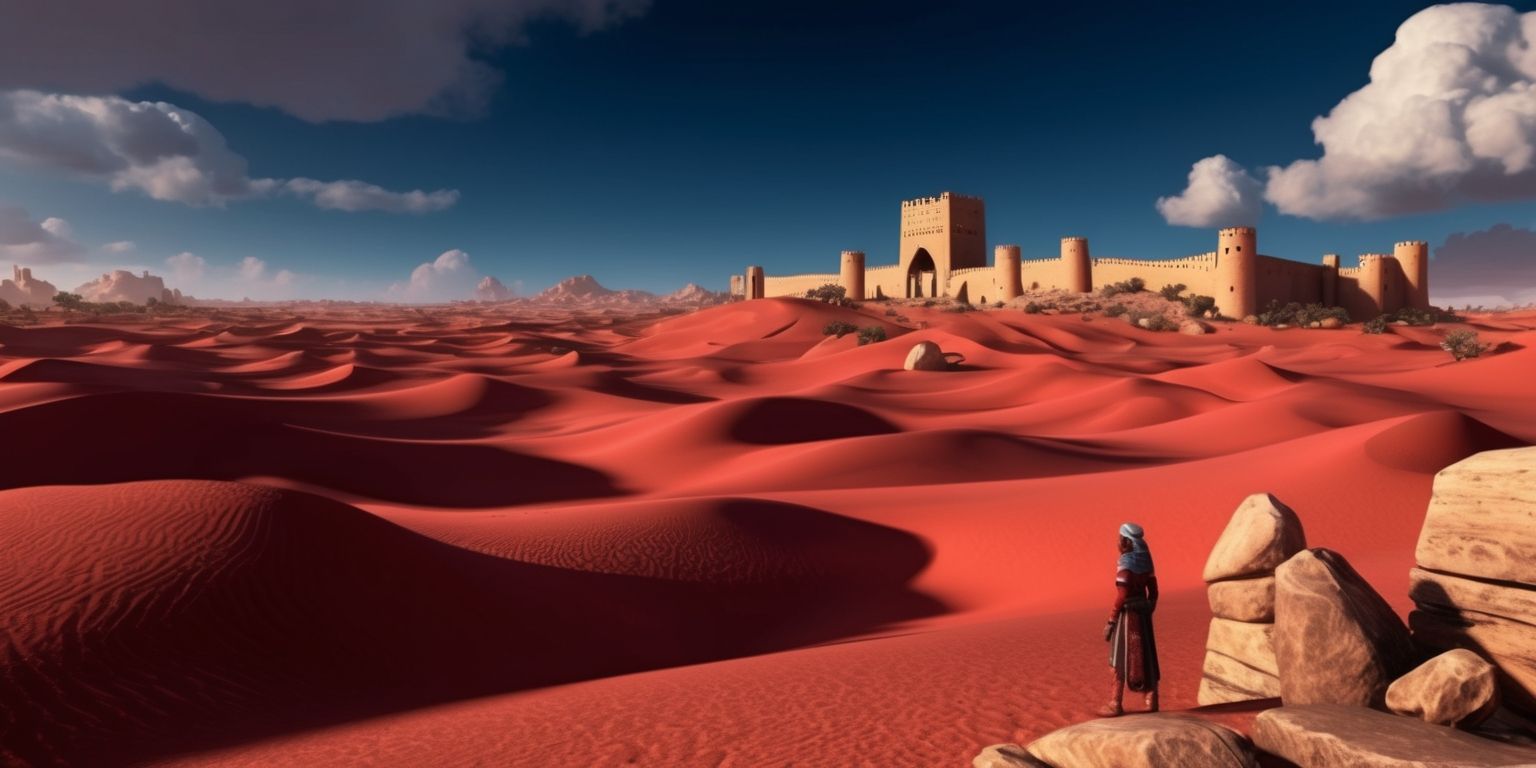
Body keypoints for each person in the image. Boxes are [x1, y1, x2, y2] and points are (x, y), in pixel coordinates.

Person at [1098, 522, 1160, 717]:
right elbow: (1154, 591)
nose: (1118, 542)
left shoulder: (1126, 565)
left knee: (1119, 657)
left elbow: (1122, 595)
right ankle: (1151, 699)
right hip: (1142, 617)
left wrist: (1111, 620)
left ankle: (1115, 703)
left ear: (1126, 542)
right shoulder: (1146, 562)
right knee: (1146, 655)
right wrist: (1148, 607)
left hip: (1127, 617)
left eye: (1120, 539)